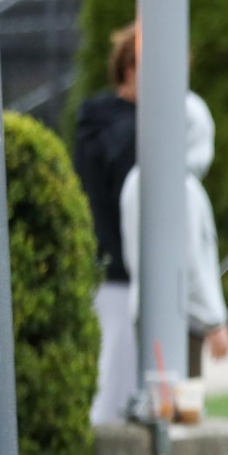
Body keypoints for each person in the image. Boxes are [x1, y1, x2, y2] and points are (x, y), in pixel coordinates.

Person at [119, 89, 228, 378]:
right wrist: (214, 320)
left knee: (157, 395)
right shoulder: (182, 187)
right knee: (181, 399)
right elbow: (189, 261)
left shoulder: (136, 179)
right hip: (182, 321)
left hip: (145, 313)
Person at [73, 23, 141, 422]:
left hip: (99, 263)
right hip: (123, 270)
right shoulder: (131, 133)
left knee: (107, 377)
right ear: (131, 69)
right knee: (119, 385)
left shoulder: (95, 124)